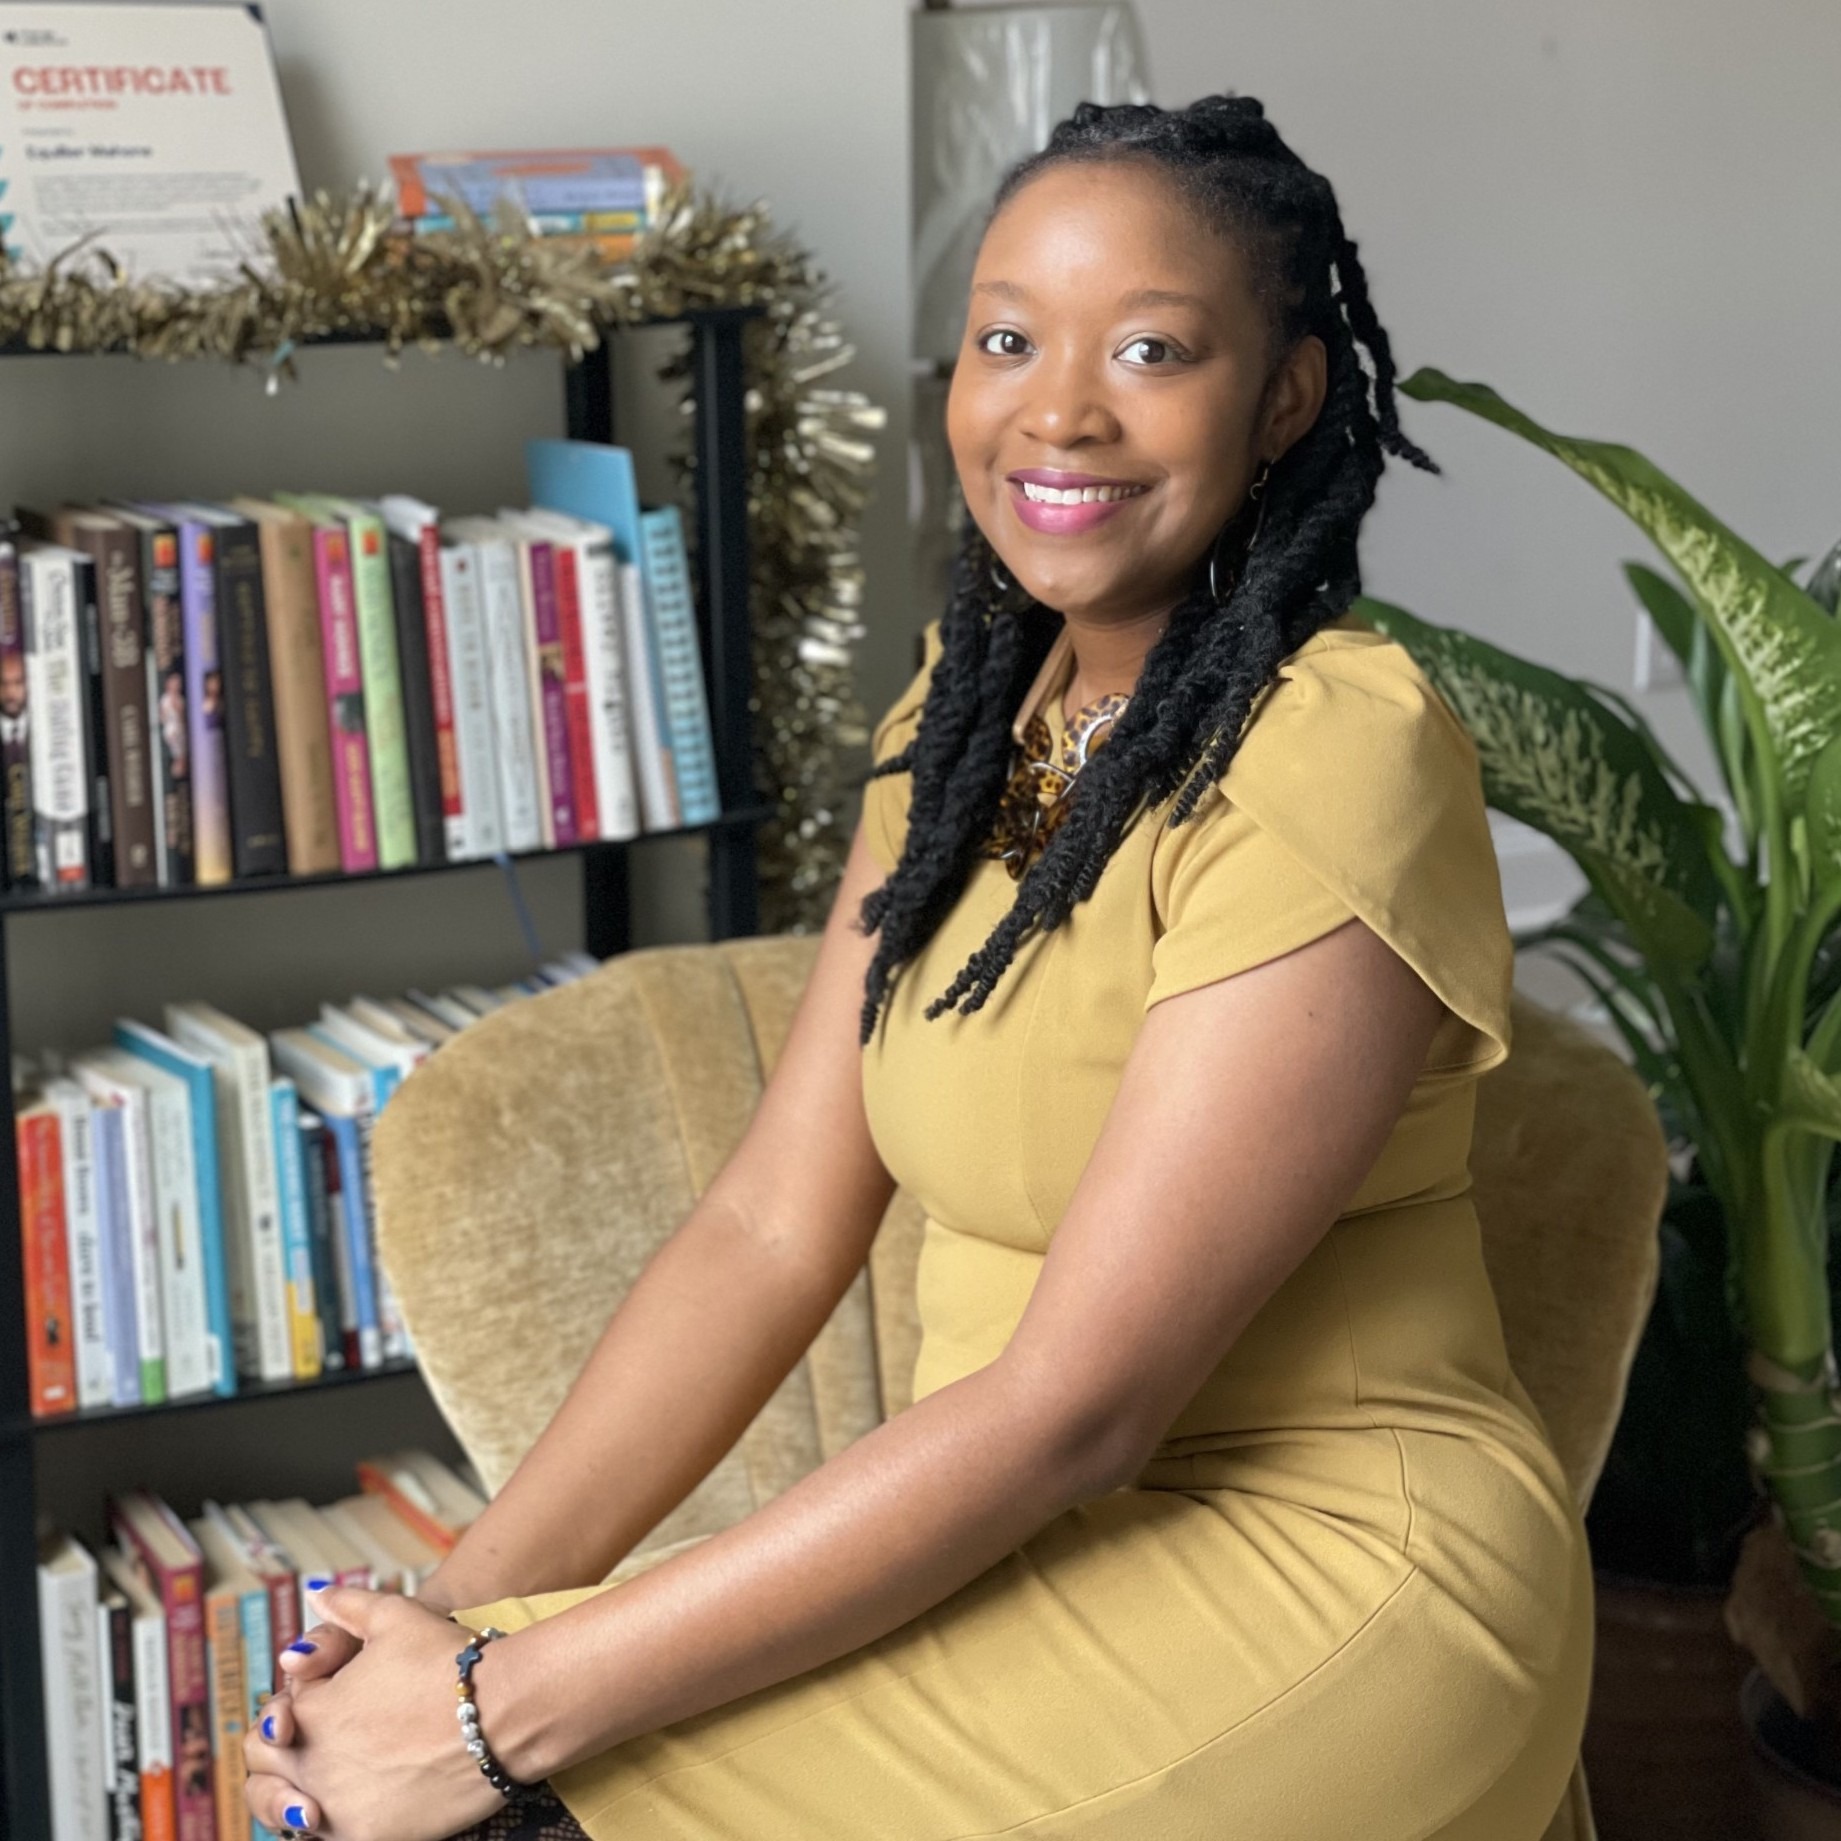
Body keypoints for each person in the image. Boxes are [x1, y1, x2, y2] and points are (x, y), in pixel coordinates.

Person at [244, 92, 1593, 1841]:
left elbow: (1078, 1406)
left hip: (1330, 1581)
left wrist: (492, 1708)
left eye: (1151, 350)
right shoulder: (961, 725)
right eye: (1007, 340)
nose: (1060, 408)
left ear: (1282, 399)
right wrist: (445, 1625)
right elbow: (766, 1228)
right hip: (1027, 1549)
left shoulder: (1330, 748)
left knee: (524, 1797)